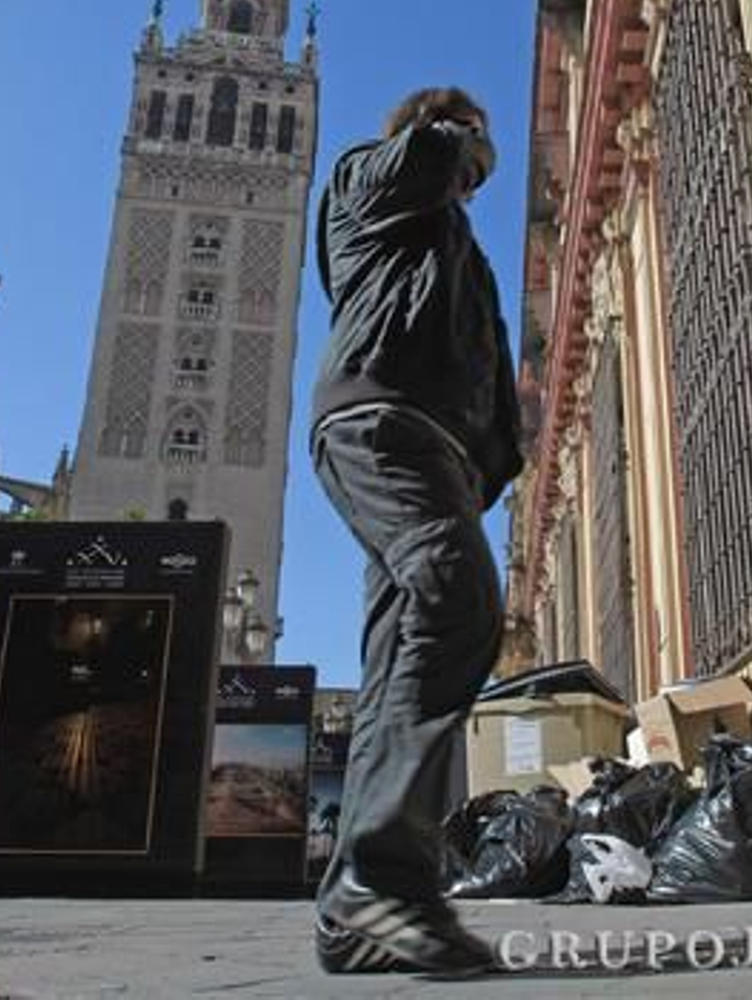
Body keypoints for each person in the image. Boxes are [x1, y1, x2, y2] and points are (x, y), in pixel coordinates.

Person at [309, 86, 523, 974]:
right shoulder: (369, 177)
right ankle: (385, 880)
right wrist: (454, 140)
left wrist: (493, 465)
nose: (477, 165)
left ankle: (353, 918)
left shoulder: (453, 243)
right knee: (457, 595)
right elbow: (426, 159)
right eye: (472, 138)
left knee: (399, 655)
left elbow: (485, 364)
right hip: (377, 420)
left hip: (437, 455)